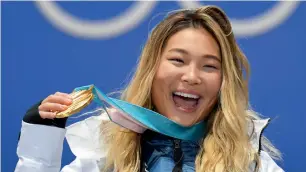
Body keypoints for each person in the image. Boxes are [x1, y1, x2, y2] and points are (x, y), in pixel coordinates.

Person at [15, 5, 283, 172]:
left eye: (209, 66)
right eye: (178, 60)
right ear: (151, 69)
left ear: (224, 81)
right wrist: (40, 146)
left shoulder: (250, 162)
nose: (192, 76)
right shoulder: (106, 154)